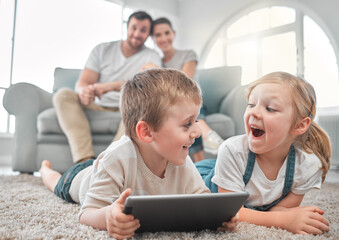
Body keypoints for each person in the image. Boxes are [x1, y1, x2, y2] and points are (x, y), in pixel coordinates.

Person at [39, 69, 239, 239]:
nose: (196, 132)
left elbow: (202, 200)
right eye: (187, 124)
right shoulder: (116, 158)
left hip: (103, 169)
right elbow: (86, 214)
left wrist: (219, 217)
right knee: (57, 182)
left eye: (196, 121)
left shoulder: (180, 158)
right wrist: (108, 215)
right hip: (80, 178)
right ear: (146, 132)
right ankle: (45, 170)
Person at [196, 72, 331, 235]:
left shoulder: (307, 164)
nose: (254, 112)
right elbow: (231, 213)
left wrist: (290, 215)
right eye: (251, 104)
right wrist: (286, 221)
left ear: (299, 125)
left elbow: (280, 209)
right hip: (208, 179)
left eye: (270, 108)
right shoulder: (232, 150)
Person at [53, 11, 161, 164]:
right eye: (134, 28)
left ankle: (107, 162)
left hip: (128, 106)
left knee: (143, 105)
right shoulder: (102, 50)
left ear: (148, 34)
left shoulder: (152, 57)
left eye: (143, 30)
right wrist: (83, 91)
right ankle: (85, 160)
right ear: (127, 27)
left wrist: (108, 86)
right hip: (96, 104)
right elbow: (83, 82)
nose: (137, 33)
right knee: (62, 95)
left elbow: (144, 86)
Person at [142, 17, 224, 161]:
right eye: (158, 35)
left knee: (188, 107)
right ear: (154, 39)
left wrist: (157, 71)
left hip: (193, 100)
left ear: (173, 34)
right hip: (173, 106)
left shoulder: (188, 54)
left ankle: (207, 139)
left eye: (167, 33)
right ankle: (208, 138)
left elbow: (184, 83)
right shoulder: (157, 61)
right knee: (181, 113)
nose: (163, 38)